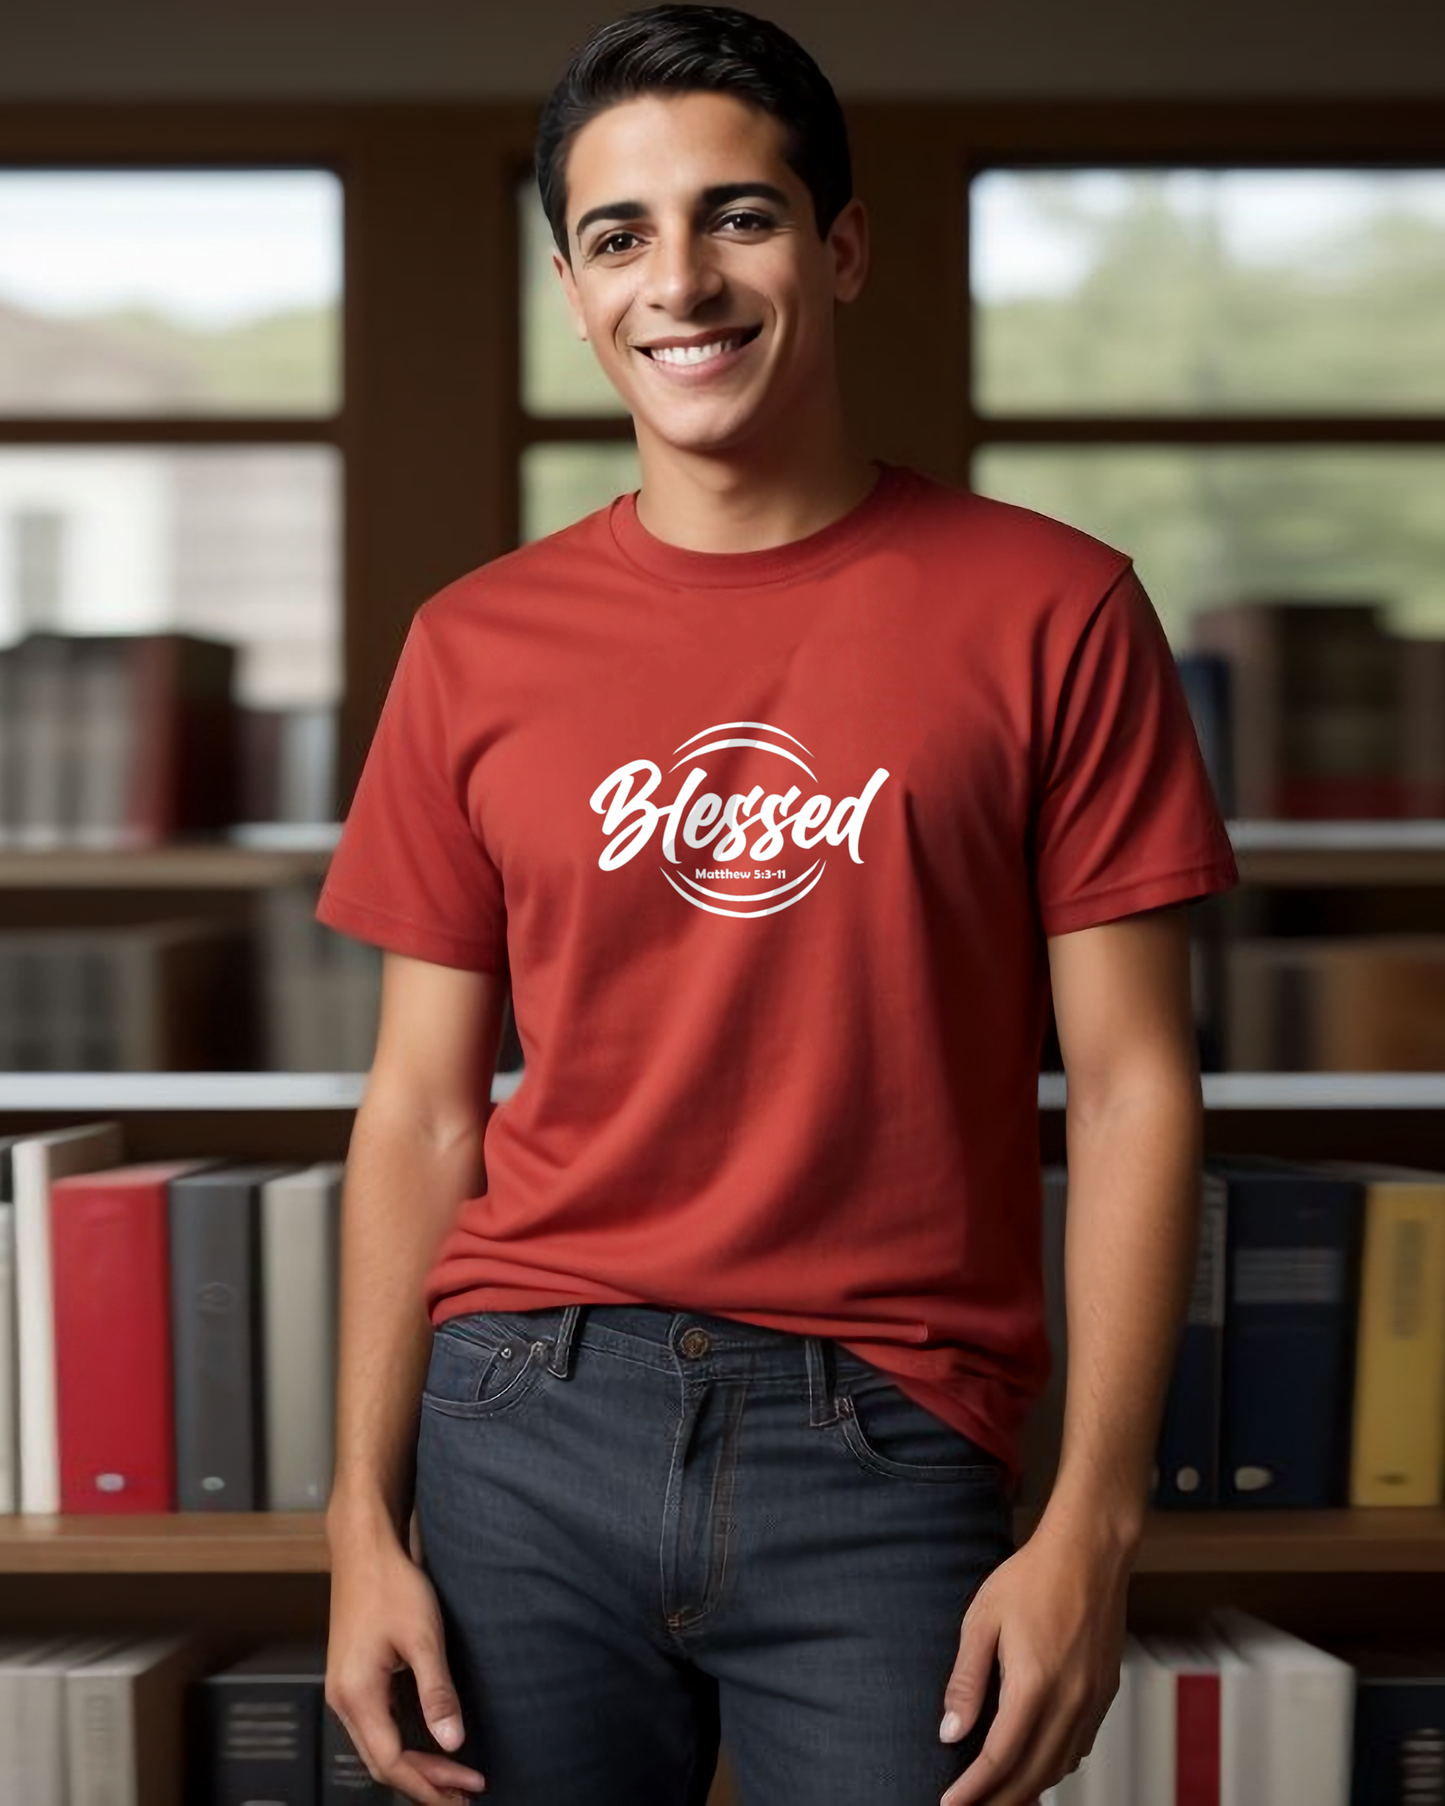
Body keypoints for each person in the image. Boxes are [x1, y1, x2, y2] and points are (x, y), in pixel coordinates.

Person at [315, 7, 1239, 1804]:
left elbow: (1133, 1086)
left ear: (842, 245)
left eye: (738, 215)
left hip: (888, 1437)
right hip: (520, 1420)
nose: (683, 279)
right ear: (577, 295)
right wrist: (361, 1517)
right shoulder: (472, 643)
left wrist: (1092, 1526)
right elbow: (422, 1105)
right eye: (618, 235)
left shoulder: (1056, 612)